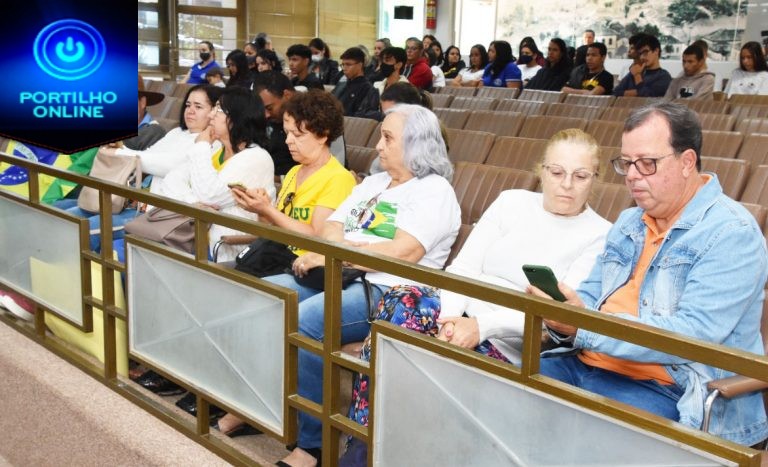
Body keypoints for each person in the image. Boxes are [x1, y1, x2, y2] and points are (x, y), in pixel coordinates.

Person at [528, 102, 768, 447]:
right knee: (499, 401)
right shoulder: (630, 221)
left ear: (687, 162)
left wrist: (585, 327)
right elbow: (592, 297)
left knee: (574, 446)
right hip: (584, 363)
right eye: (627, 163)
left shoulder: (731, 233)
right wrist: (563, 313)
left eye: (647, 163)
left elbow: (691, 335)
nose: (632, 175)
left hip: (669, 388)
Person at [267, 104, 461, 467]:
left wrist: (340, 254)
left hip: (389, 292)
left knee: (305, 320)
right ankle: (261, 411)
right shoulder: (374, 183)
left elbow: (402, 252)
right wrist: (341, 251)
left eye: (388, 138)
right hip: (345, 275)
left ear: (416, 144)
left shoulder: (434, 192)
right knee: (267, 295)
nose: (378, 146)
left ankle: (312, 446)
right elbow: (331, 226)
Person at [208, 90, 357, 437]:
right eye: (287, 132)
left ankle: (251, 403)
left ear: (322, 134)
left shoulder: (338, 179)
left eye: (297, 134)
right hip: (278, 258)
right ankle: (233, 392)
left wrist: (269, 212)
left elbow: (318, 237)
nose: (288, 141)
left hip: (308, 270)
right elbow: (276, 229)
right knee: (216, 289)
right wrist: (259, 210)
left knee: (257, 303)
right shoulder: (293, 173)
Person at [156, 86, 276, 262]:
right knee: (132, 246)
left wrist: (201, 146)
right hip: (190, 235)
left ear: (237, 118)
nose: (211, 115)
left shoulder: (256, 158)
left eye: (219, 110)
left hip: (223, 249)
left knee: (134, 252)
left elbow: (209, 195)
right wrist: (193, 202)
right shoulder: (217, 149)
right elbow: (172, 180)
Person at [252, 72, 297, 176]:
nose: (266, 115)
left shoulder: (310, 122)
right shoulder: (272, 119)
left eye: (269, 108)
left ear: (287, 95)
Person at [331, 47, 380, 118]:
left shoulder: (369, 89)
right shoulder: (340, 85)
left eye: (348, 64)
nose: (344, 68)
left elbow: (363, 117)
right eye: (343, 65)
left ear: (360, 65)